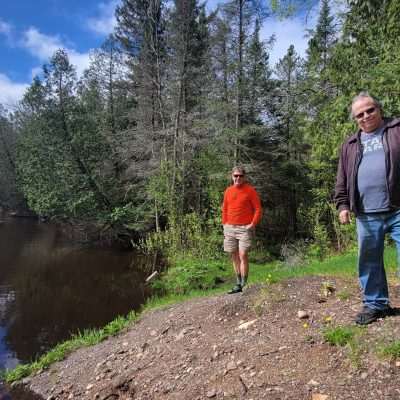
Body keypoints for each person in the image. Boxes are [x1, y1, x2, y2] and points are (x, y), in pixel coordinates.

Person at [334, 91, 400, 325]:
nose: (366, 116)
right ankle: (375, 304)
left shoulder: (396, 129)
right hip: (366, 213)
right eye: (359, 114)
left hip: (397, 208)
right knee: (369, 261)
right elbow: (342, 178)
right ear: (355, 119)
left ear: (379, 108)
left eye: (370, 110)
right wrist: (343, 205)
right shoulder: (350, 144)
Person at [222, 166, 262, 294]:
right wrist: (224, 224)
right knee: (234, 255)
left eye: (240, 176)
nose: (238, 178)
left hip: (245, 228)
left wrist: (253, 224)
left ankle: (244, 283)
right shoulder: (228, 191)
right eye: (236, 175)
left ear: (244, 177)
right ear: (232, 177)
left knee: (243, 254)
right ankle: (238, 283)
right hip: (230, 227)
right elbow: (225, 209)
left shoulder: (250, 191)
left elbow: (258, 209)